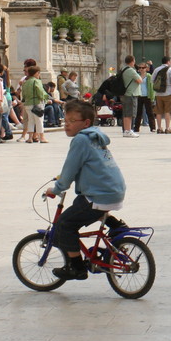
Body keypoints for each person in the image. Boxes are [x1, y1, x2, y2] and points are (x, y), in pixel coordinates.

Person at [45, 99, 127, 281]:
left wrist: (56, 189)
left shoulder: (80, 140)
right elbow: (80, 166)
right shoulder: (95, 136)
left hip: (99, 194)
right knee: (80, 206)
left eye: (73, 121)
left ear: (86, 123)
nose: (67, 124)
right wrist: (62, 178)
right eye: (65, 120)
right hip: (113, 190)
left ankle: (76, 267)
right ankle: (115, 224)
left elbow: (69, 171)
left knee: (64, 225)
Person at [20, 64, 49, 143]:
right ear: (36, 73)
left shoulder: (25, 82)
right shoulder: (37, 81)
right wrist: (45, 97)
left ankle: (30, 137)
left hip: (28, 104)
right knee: (39, 120)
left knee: (31, 121)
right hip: (36, 103)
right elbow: (40, 92)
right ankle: (42, 137)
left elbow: (23, 93)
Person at [118, 55, 142, 139]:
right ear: (132, 61)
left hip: (126, 94)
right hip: (131, 94)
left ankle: (127, 130)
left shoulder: (123, 69)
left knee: (126, 113)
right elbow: (140, 80)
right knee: (130, 113)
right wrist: (141, 74)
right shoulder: (131, 70)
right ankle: (128, 130)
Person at [151, 56, 171, 134]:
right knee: (167, 111)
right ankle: (168, 128)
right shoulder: (170, 69)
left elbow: (152, 80)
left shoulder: (156, 69)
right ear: (168, 61)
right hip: (168, 93)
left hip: (158, 94)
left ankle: (159, 128)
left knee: (158, 111)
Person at [132, 62, 157, 134]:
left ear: (146, 69)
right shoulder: (137, 76)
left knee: (150, 112)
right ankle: (136, 128)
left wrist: (152, 96)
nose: (141, 69)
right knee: (138, 113)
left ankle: (152, 127)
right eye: (140, 68)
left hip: (147, 96)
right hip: (139, 95)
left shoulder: (149, 76)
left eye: (143, 68)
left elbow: (152, 87)